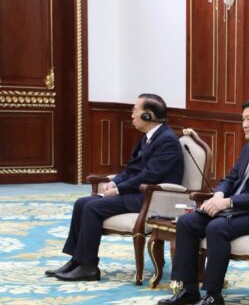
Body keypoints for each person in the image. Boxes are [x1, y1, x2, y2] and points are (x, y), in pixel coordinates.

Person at [157, 97, 249, 305]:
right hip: (234, 209)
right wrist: (219, 194)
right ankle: (188, 289)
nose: (244, 124)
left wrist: (229, 202)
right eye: (243, 119)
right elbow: (231, 178)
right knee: (187, 222)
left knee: (217, 227)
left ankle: (213, 296)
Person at [47, 93, 184, 282]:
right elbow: (132, 169)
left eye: (135, 111)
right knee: (81, 203)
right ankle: (77, 261)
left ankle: (88, 267)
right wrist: (115, 182)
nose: (132, 115)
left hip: (153, 198)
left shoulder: (166, 140)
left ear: (148, 115)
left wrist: (119, 190)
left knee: (92, 207)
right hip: (139, 193)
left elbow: (149, 176)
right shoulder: (147, 138)